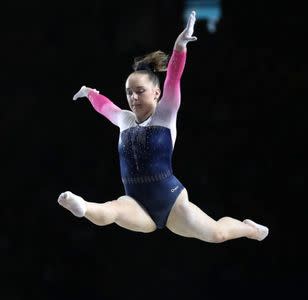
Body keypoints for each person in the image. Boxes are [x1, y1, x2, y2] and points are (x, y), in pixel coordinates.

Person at [58, 11, 269, 243]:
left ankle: (250, 229)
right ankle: (83, 207)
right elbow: (106, 107)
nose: (133, 98)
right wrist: (89, 94)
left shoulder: (165, 115)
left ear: (156, 93)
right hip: (136, 203)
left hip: (171, 201)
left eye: (140, 91)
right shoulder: (125, 121)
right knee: (114, 210)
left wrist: (180, 47)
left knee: (217, 234)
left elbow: (173, 79)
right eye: (129, 92)